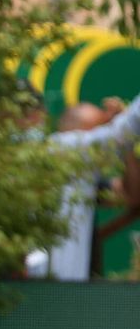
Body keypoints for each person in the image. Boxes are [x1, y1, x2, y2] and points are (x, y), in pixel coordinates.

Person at [26, 94, 140, 280]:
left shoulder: (82, 177)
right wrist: (122, 128)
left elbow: (131, 195)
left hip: (73, 291)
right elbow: (124, 130)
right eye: (99, 130)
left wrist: (126, 146)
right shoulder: (64, 148)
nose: (104, 137)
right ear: (75, 133)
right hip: (43, 289)